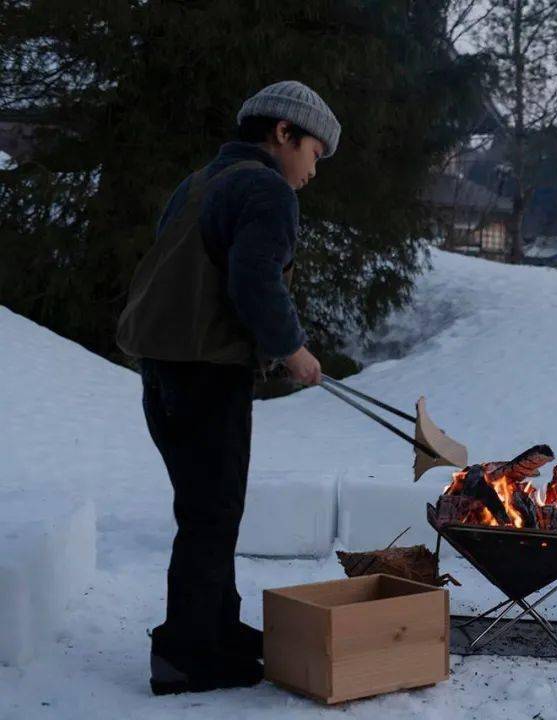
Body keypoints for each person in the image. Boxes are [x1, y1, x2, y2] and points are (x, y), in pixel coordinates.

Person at [116, 81, 340, 694]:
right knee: (213, 512)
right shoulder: (266, 189)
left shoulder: (200, 182)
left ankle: (215, 628)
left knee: (206, 506)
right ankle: (186, 654)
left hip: (162, 367)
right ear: (283, 133)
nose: (313, 171)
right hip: (206, 369)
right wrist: (292, 349)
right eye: (314, 152)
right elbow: (253, 277)